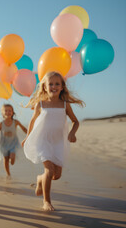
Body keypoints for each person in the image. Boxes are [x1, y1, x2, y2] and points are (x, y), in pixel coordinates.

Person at [22, 71, 85, 211]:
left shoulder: (65, 104)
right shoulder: (41, 104)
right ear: (44, 86)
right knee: (49, 171)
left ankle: (40, 179)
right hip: (42, 141)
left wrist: (72, 134)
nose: (54, 86)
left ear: (62, 86)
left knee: (56, 175)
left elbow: (75, 122)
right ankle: (47, 201)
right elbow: (32, 121)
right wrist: (27, 136)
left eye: (57, 83)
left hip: (58, 143)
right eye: (50, 84)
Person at [0, 104, 27, 178]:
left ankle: (11, 158)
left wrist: (29, 134)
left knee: (12, 161)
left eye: (10, 111)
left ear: (12, 112)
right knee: (5, 159)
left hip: (13, 143)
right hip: (4, 144)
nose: (8, 112)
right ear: (2, 113)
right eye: (6, 111)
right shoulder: (1, 124)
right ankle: (8, 173)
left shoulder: (16, 122)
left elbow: (24, 129)